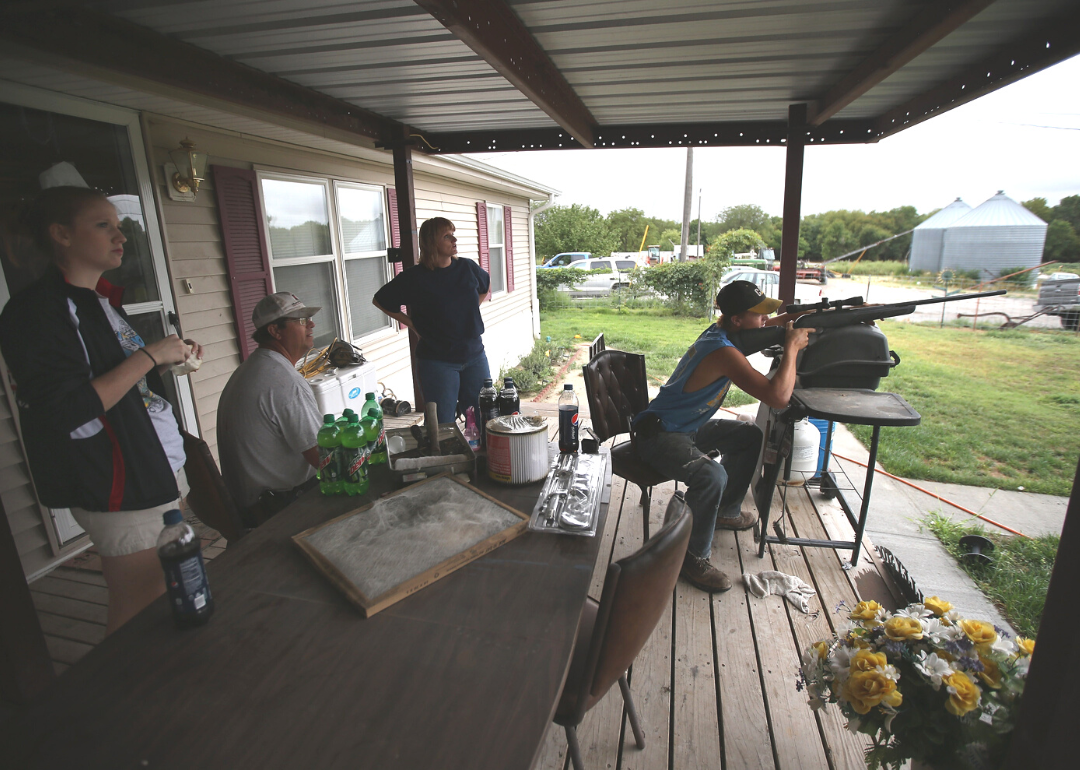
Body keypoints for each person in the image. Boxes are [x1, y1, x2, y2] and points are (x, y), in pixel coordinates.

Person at [0, 186, 202, 635]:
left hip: (153, 467)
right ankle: (126, 696)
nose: (121, 235)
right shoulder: (37, 312)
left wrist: (169, 361)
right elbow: (65, 408)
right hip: (118, 481)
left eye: (118, 224)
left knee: (165, 592)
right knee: (139, 603)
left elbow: (119, 384)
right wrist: (148, 356)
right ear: (61, 235)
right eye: (103, 224)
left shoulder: (100, 302)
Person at [634, 281, 812, 593]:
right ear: (737, 321)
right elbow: (778, 397)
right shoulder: (724, 352)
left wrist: (818, 315)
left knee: (747, 436)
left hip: (683, 427)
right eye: (759, 316)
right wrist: (793, 349)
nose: (766, 321)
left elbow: (775, 323)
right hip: (659, 435)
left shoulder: (722, 331)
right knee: (711, 475)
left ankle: (725, 512)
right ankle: (692, 557)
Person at [216, 292, 323, 524]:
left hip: (250, 504)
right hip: (279, 507)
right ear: (275, 331)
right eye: (302, 320)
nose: (311, 324)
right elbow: (322, 457)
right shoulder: (283, 381)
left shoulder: (254, 368)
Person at [372, 217, 491, 424]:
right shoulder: (415, 278)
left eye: (453, 234)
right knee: (442, 421)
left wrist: (468, 309)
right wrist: (412, 324)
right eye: (447, 236)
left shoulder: (467, 268)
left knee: (481, 414)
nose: (454, 240)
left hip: (474, 356)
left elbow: (485, 287)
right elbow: (381, 300)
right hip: (437, 361)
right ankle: (447, 456)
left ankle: (482, 454)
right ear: (430, 242)